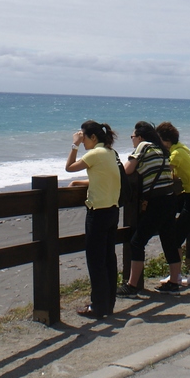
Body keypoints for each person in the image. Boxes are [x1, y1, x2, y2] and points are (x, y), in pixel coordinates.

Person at [117, 121, 183, 295]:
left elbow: (127, 170)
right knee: (169, 241)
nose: (132, 140)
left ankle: (132, 285)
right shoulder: (161, 149)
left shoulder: (144, 146)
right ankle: (174, 282)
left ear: (139, 137)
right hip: (170, 199)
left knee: (136, 242)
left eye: (132, 137)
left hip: (158, 201)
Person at [65, 120, 121, 318]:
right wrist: (80, 182)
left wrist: (75, 144)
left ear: (93, 137)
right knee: (108, 259)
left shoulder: (95, 153)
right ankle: (108, 304)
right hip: (113, 211)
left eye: (84, 138)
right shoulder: (110, 153)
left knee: (96, 261)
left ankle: (98, 306)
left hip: (98, 213)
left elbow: (69, 166)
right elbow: (102, 176)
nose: (83, 141)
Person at [157, 121, 190, 287]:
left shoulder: (175, 154)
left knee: (175, 238)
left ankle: (176, 276)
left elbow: (165, 172)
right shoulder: (184, 149)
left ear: (166, 141)